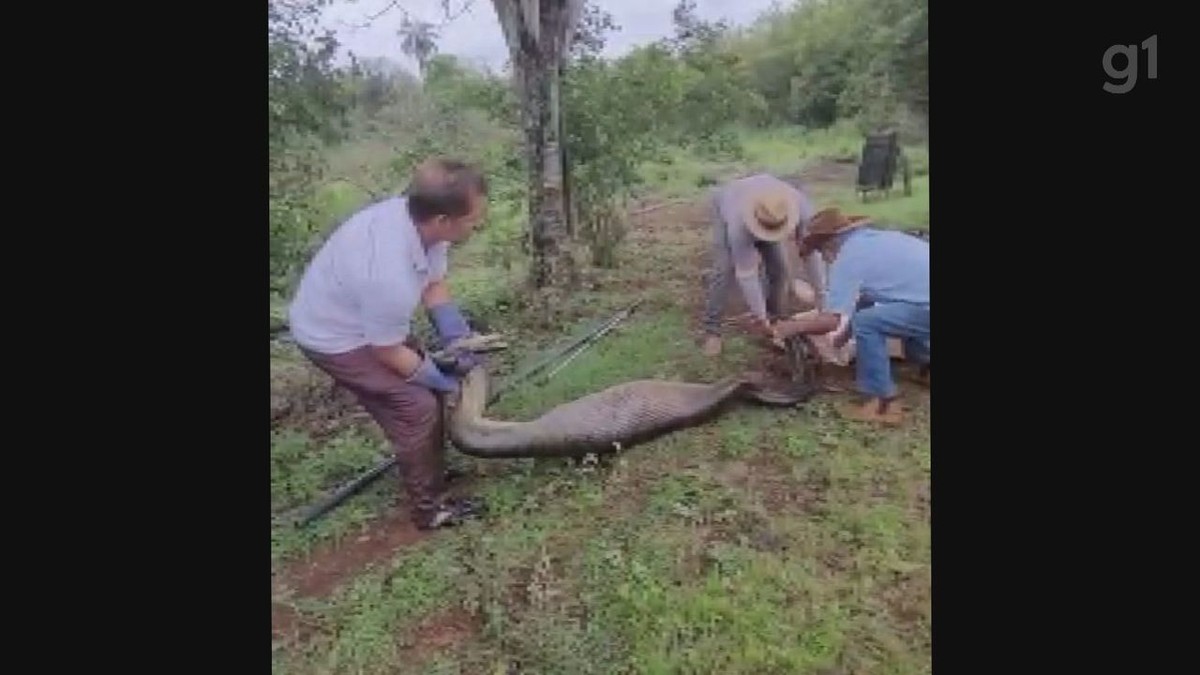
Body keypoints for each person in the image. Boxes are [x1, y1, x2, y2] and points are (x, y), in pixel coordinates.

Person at [287, 158, 489, 530]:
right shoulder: (388, 273)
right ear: (443, 220)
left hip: (365, 321)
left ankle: (429, 466)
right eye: (473, 219)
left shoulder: (420, 222)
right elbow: (387, 352)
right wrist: (437, 378)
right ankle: (429, 512)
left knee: (422, 393)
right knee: (416, 408)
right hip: (335, 338)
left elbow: (432, 283)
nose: (478, 224)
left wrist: (456, 336)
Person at [773, 207, 929, 425]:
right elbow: (865, 299)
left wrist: (793, 327)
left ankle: (883, 404)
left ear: (829, 243)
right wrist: (843, 337)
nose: (824, 256)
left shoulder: (848, 258)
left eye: (820, 250)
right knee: (899, 307)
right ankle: (927, 367)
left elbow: (831, 321)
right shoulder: (877, 239)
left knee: (868, 323)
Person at [701, 173, 827, 356]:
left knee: (780, 270)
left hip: (766, 214)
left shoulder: (800, 208)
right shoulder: (738, 223)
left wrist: (822, 299)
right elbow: (746, 273)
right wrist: (760, 317)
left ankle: (776, 319)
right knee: (724, 270)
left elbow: (812, 255)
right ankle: (712, 330)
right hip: (727, 202)